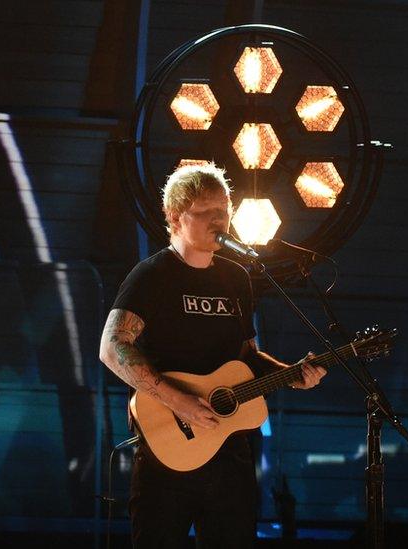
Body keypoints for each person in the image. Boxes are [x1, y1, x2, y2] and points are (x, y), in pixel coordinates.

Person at [98, 163, 328, 548]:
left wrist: (289, 372)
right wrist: (180, 402)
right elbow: (113, 346)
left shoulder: (236, 277)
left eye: (223, 211)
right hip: (166, 446)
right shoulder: (152, 274)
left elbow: (244, 355)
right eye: (206, 212)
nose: (219, 220)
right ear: (175, 216)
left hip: (228, 453)